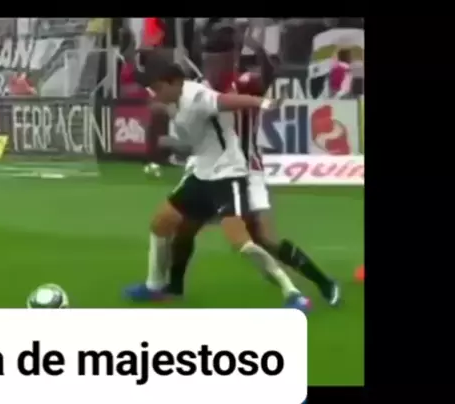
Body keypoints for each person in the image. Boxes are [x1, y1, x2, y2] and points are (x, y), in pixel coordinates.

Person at [128, 36, 340, 307]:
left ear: (231, 58)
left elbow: (260, 83)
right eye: (208, 59)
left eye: (218, 58)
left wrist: (260, 61)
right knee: (183, 227)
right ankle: (172, 286)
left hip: (245, 168)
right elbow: (170, 97)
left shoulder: (239, 83)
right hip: (207, 167)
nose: (212, 64)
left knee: (263, 238)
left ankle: (322, 283)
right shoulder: (197, 86)